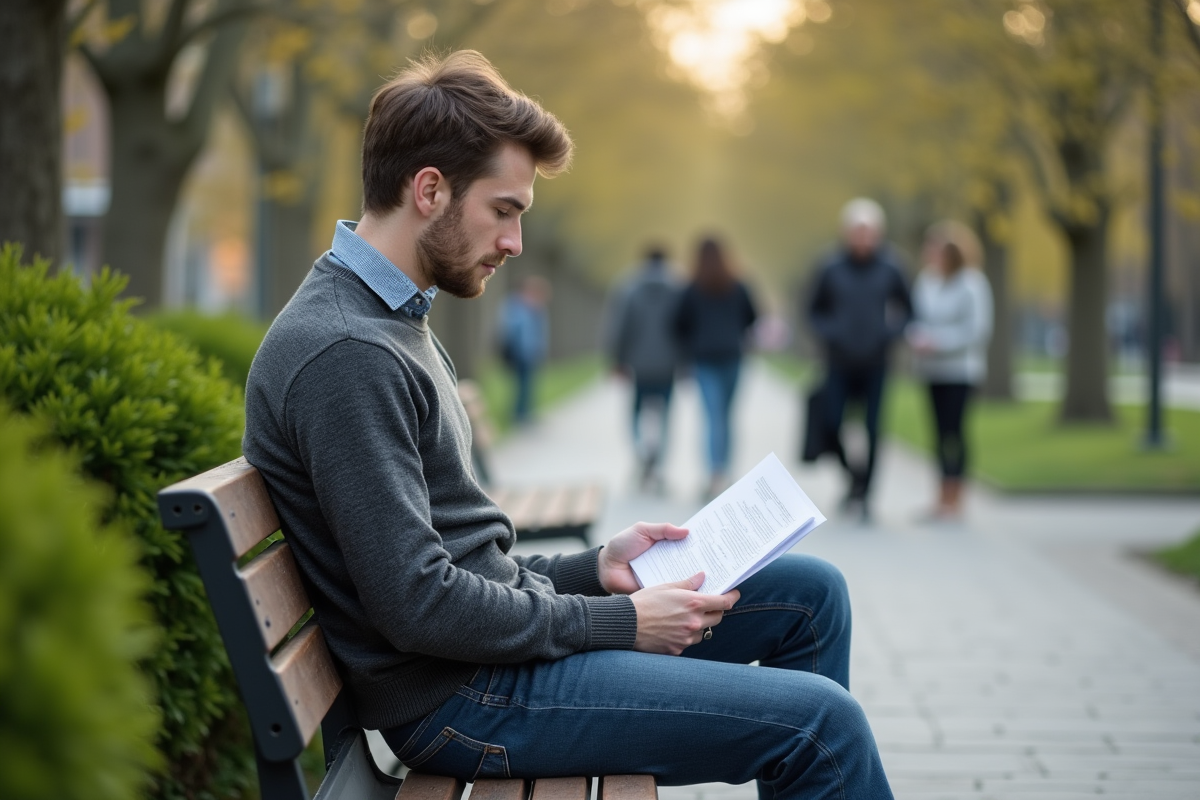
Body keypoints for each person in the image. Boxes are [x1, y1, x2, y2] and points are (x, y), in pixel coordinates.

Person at [242, 51, 893, 798]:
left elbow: (464, 564)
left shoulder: (389, 321)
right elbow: (421, 604)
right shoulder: (348, 351)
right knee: (823, 726)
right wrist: (619, 621)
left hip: (486, 664)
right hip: (463, 703)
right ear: (429, 190)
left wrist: (597, 570)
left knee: (810, 594)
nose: (515, 245)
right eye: (505, 211)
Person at [806, 198, 912, 522]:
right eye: (857, 231)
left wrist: (890, 333)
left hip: (876, 361)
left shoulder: (892, 266)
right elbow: (813, 310)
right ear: (847, 233)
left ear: (878, 234)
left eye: (869, 232)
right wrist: (831, 332)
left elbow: (908, 310)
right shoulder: (830, 266)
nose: (863, 238)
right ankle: (854, 477)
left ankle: (866, 495)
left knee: (873, 429)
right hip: (838, 361)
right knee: (831, 423)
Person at [907, 221, 994, 520]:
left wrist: (939, 342)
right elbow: (915, 316)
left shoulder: (972, 283)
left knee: (956, 431)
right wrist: (916, 336)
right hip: (931, 371)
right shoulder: (926, 281)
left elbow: (977, 330)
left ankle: (957, 496)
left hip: (960, 371)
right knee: (937, 433)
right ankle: (941, 495)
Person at [674, 237, 758, 499]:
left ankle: (714, 474)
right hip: (732, 356)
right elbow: (753, 316)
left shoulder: (691, 288)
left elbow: (678, 323)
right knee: (727, 417)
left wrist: (693, 343)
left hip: (705, 359)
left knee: (713, 417)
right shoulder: (739, 285)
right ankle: (725, 472)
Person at [604, 245, 682, 492]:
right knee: (665, 416)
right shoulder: (678, 289)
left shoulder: (629, 287)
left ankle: (641, 453)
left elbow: (619, 326)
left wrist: (615, 360)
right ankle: (657, 461)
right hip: (668, 364)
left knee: (636, 414)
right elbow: (685, 328)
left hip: (638, 363)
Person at [499, 274, 551, 425]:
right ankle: (518, 414)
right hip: (518, 352)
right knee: (520, 384)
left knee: (529, 384)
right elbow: (509, 329)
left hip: (532, 352)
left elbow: (540, 332)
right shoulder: (514, 305)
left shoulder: (537, 308)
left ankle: (526, 412)